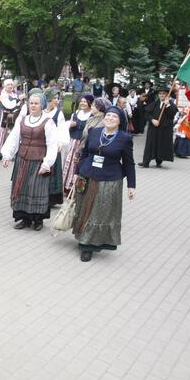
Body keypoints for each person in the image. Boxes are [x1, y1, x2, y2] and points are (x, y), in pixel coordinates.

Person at [73, 106, 136, 262]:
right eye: (108, 115)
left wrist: (131, 186)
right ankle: (82, 237)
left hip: (109, 180)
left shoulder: (124, 138)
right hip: (87, 175)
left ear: (120, 121)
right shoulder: (94, 132)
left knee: (99, 212)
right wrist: (77, 172)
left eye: (114, 117)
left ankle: (89, 245)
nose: (109, 118)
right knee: (83, 208)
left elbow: (129, 163)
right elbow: (85, 153)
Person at [1, 92, 58, 231]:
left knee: (37, 189)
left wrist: (47, 163)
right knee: (22, 187)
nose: (33, 105)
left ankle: (38, 220)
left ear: (42, 105)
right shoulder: (22, 120)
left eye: (36, 103)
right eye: (31, 103)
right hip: (22, 160)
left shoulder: (48, 121)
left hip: (39, 160)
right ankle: (24, 218)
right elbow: (14, 138)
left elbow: (52, 144)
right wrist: (7, 155)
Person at [42, 88, 69, 206]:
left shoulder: (58, 113)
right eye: (55, 98)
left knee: (52, 172)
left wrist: (61, 142)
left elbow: (62, 129)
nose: (57, 100)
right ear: (48, 99)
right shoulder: (41, 111)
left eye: (58, 98)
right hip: (41, 145)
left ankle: (51, 198)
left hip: (53, 146)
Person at [62, 95, 93, 194]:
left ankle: (74, 188)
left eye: (85, 102)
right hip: (72, 141)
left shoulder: (91, 115)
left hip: (81, 143)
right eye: (81, 101)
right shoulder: (76, 113)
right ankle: (65, 186)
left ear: (90, 103)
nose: (82, 103)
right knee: (67, 162)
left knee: (76, 164)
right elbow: (69, 125)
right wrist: (70, 125)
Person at [140, 88, 177, 168]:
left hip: (164, 129)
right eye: (160, 94)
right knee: (150, 144)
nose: (161, 95)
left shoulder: (170, 104)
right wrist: (152, 120)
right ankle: (145, 162)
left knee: (160, 144)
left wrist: (167, 105)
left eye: (163, 93)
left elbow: (172, 114)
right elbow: (147, 113)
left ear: (167, 95)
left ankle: (159, 161)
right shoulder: (155, 103)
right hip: (153, 128)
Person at [0, 79, 21, 158]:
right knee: (2, 132)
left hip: (12, 115)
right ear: (5, 86)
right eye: (8, 85)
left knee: (11, 132)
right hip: (3, 114)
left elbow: (17, 104)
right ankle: (0, 152)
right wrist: (18, 99)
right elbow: (9, 105)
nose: (10, 86)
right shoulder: (3, 94)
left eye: (11, 85)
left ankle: (10, 151)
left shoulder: (14, 94)